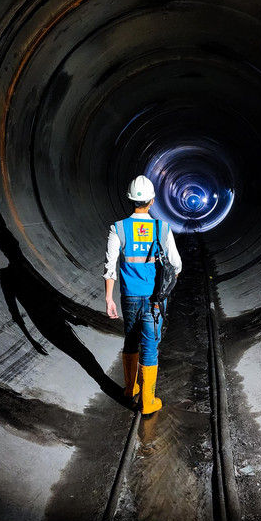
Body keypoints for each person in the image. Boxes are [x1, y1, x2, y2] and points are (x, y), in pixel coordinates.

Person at [103, 175, 182, 417]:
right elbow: (176, 266)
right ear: (152, 200)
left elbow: (110, 266)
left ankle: (130, 389)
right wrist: (164, 290)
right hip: (154, 299)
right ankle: (147, 401)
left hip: (129, 297)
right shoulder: (162, 228)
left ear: (130, 200)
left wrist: (109, 299)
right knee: (150, 346)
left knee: (130, 338)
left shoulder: (118, 228)